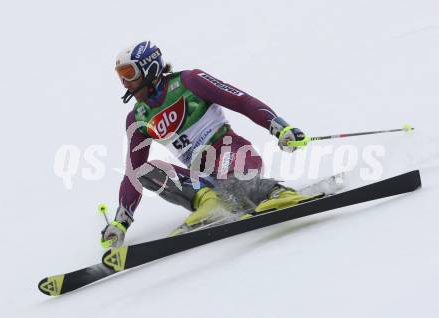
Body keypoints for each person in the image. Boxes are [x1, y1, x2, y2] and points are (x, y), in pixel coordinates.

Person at [101, 41, 318, 248]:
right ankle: (209, 202)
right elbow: (132, 172)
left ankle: (276, 193)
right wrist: (121, 222)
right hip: (202, 178)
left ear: (149, 68)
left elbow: (241, 100)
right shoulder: (138, 117)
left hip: (231, 152)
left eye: (129, 73)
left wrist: (280, 127)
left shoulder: (188, 81)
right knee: (144, 170)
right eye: (120, 76)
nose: (124, 82)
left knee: (231, 179)